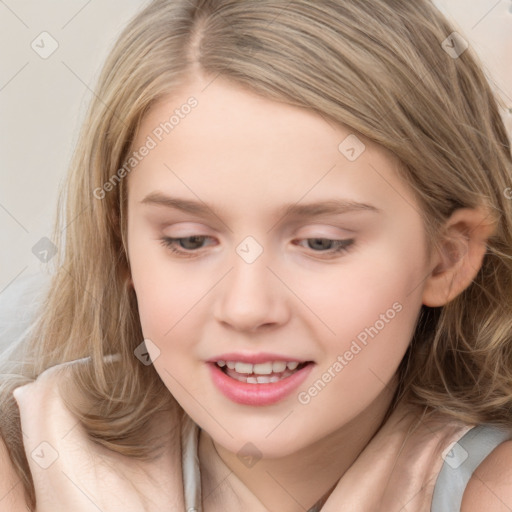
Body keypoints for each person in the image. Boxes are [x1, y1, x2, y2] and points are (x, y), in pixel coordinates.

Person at [1, 0, 512, 510]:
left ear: (446, 258)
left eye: (321, 243)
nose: (246, 308)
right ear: (122, 249)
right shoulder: (31, 458)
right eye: (189, 240)